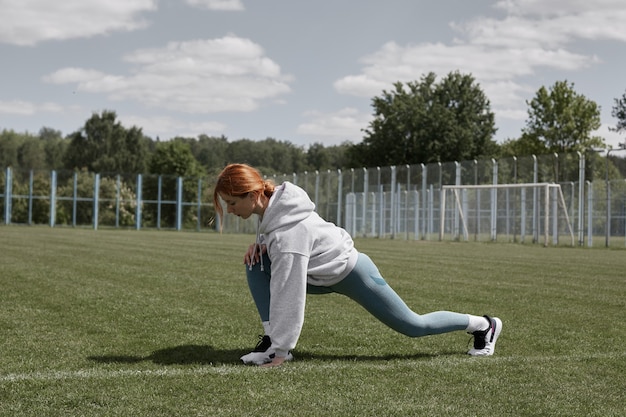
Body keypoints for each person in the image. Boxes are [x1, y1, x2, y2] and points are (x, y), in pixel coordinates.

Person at [213, 163, 502, 367]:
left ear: (252, 195)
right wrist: (261, 247)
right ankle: (271, 341)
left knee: (414, 325)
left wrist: (282, 350)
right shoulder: (275, 207)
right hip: (319, 273)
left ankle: (483, 325)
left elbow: (289, 294)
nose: (229, 210)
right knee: (256, 263)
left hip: (351, 272)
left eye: (231, 203)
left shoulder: (290, 234)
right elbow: (277, 247)